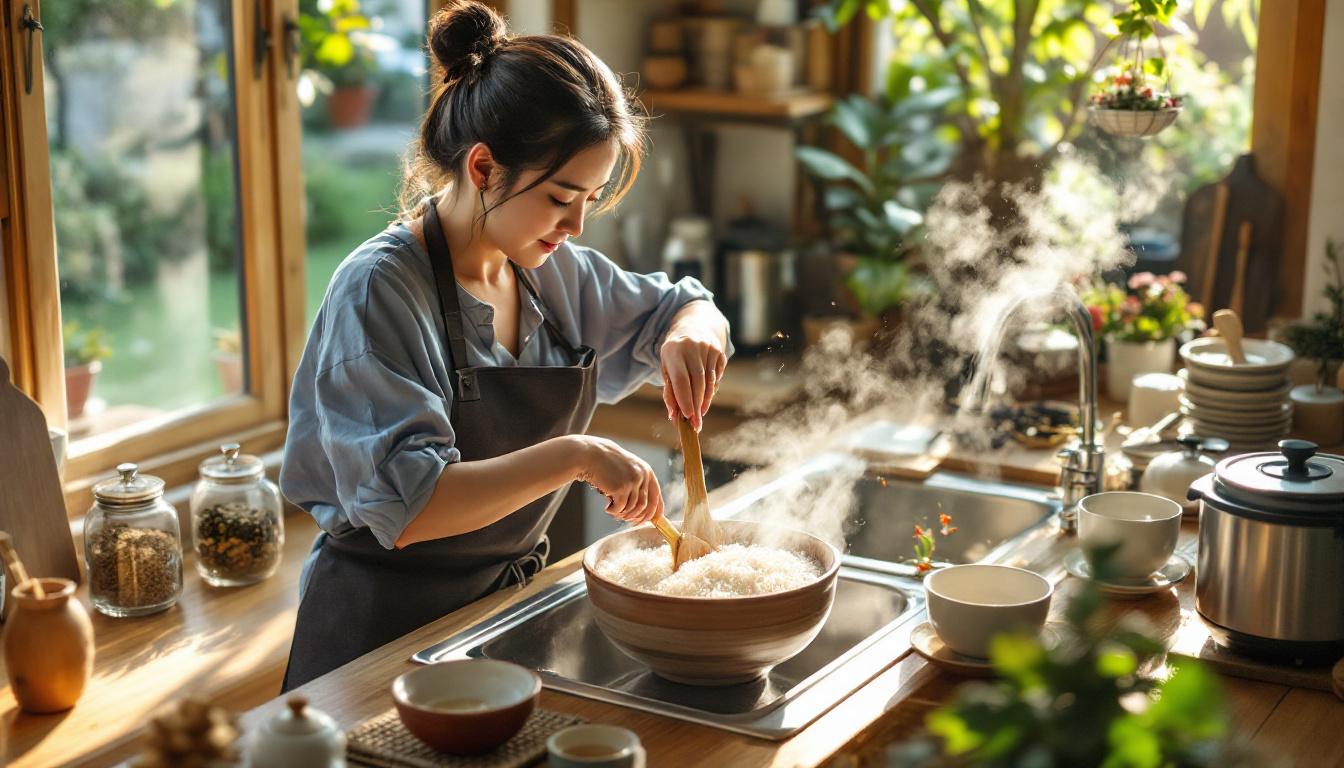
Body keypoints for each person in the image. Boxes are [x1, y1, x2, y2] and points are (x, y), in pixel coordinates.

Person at [277, 1, 731, 691]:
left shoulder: (551, 270)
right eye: (560, 197)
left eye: (592, 197)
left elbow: (684, 304)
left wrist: (693, 330)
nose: (577, 224)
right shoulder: (379, 292)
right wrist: (577, 455)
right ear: (484, 167)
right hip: (378, 642)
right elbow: (413, 507)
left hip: (496, 623)